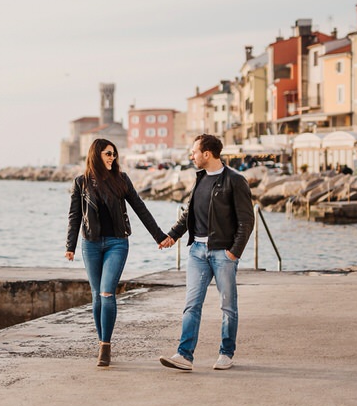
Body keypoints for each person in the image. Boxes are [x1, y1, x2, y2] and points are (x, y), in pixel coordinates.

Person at [65, 138, 171, 368]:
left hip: (117, 243)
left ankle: (105, 345)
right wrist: (70, 246)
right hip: (90, 244)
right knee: (96, 296)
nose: (112, 157)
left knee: (106, 293)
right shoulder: (81, 183)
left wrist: (159, 236)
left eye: (114, 154)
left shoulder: (121, 180)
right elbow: (75, 216)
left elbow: (140, 208)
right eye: (108, 153)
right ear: (96, 155)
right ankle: (101, 340)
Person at [157, 134, 255, 372]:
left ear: (207, 154)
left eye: (194, 152)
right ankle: (184, 355)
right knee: (192, 304)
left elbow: (247, 220)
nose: (192, 156)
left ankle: (226, 353)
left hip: (223, 253)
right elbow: (189, 214)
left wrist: (234, 253)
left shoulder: (235, 180)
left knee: (227, 306)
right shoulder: (199, 179)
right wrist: (172, 235)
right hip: (197, 252)